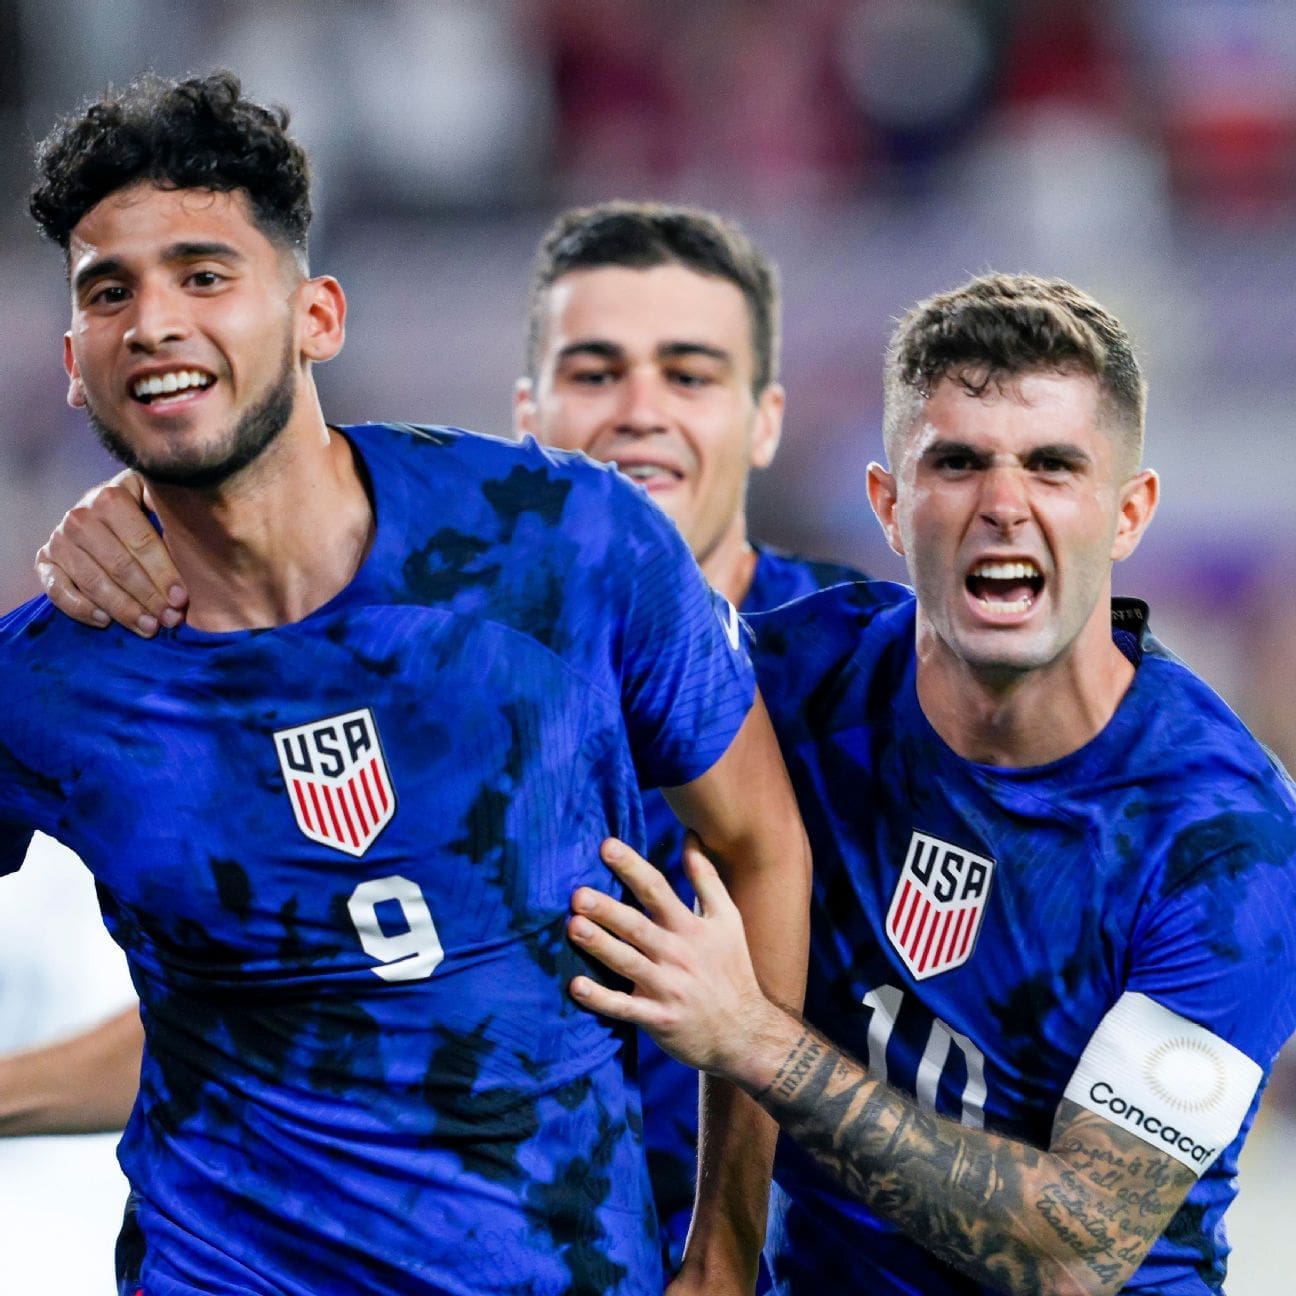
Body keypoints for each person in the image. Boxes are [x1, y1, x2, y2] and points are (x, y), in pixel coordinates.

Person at [3, 72, 812, 1296]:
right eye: (110, 292)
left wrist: (726, 1251)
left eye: (204, 275)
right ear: (75, 360)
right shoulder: (46, 680)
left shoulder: (561, 543)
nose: (153, 321)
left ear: (317, 315)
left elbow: (761, 850)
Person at [563, 273, 1296, 1294]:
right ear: (889, 504)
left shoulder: (1223, 842)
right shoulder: (785, 690)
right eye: (957, 464)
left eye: (1052, 467)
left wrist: (754, 1039)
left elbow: (1077, 1249)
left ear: (1128, 515)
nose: (1003, 505)